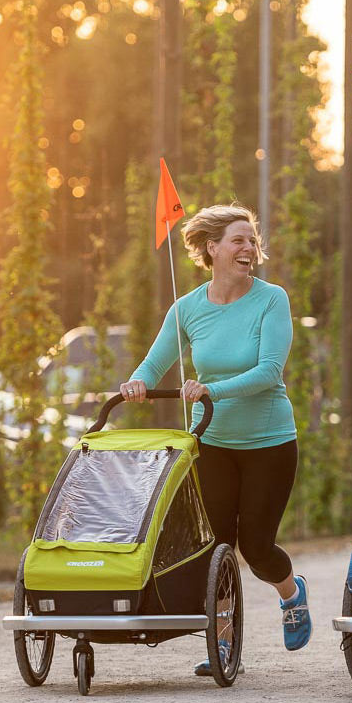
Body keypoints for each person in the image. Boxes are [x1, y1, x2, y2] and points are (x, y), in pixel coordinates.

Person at [120, 204, 310, 675]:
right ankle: (223, 647)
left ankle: (292, 593)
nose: (249, 248)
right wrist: (136, 383)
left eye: (252, 240)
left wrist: (212, 389)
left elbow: (269, 372)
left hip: (269, 442)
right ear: (212, 249)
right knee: (216, 550)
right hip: (213, 443)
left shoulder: (271, 299)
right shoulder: (187, 308)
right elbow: (155, 361)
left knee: (257, 549)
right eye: (238, 240)